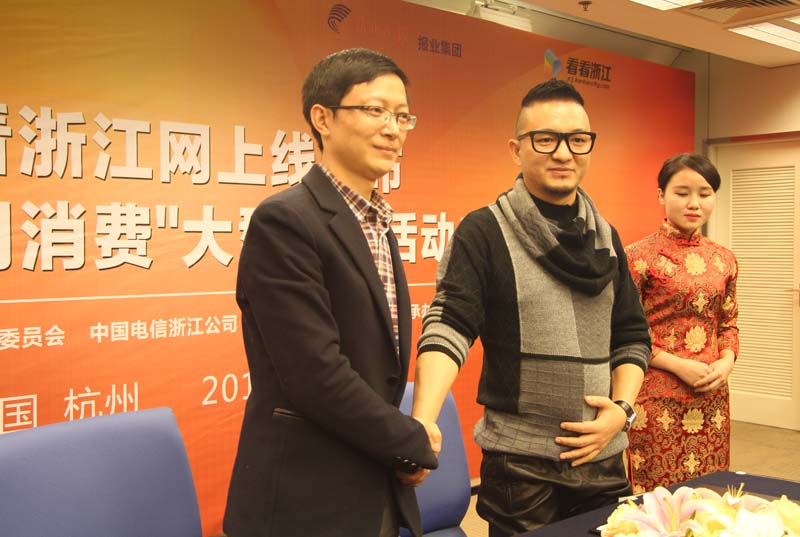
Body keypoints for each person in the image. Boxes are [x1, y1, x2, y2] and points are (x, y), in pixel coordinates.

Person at [411, 79, 652, 536]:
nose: (563, 153)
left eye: (577, 140)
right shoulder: (484, 231)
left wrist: (622, 411)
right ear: (516, 149)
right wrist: (423, 419)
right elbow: (449, 326)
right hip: (520, 467)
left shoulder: (606, 238)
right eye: (546, 139)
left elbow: (631, 335)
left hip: (603, 459)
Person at [223, 48, 440, 537]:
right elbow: (315, 374)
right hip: (305, 500)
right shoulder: (286, 220)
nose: (393, 129)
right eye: (375, 110)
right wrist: (411, 440)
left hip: (372, 481)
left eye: (403, 116)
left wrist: (398, 449)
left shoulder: (377, 223)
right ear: (322, 118)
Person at [624, 153, 738, 493]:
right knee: (657, 496)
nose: (694, 203)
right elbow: (625, 332)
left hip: (712, 397)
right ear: (661, 195)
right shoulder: (638, 256)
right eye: (682, 193)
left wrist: (726, 362)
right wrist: (678, 365)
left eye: (704, 193)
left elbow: (728, 323)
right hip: (656, 396)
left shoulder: (724, 259)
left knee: (709, 491)